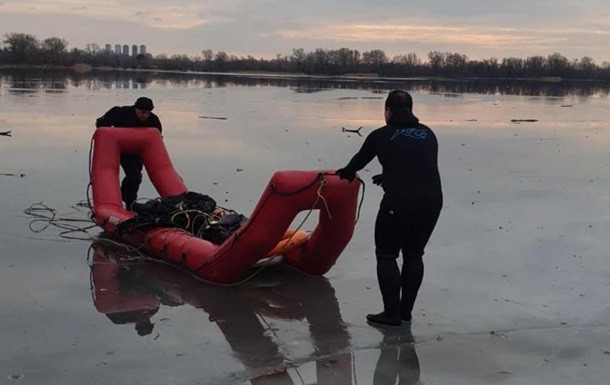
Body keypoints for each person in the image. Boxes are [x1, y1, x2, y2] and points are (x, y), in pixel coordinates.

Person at [336, 90, 442, 326]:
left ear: (388, 111)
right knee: (414, 254)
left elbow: (355, 165)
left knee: (386, 255)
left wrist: (345, 173)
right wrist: (389, 176)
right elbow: (416, 165)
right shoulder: (428, 134)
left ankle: (392, 313)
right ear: (412, 110)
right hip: (431, 202)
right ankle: (406, 312)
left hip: (399, 203)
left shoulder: (380, 135)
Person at [95, 97, 162, 209]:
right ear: (135, 108)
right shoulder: (121, 112)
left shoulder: (154, 120)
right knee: (134, 175)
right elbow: (100, 125)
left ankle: (125, 197)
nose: (145, 116)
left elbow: (156, 139)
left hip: (138, 151)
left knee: (136, 177)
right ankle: (130, 202)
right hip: (120, 149)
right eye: (142, 112)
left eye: (148, 113)